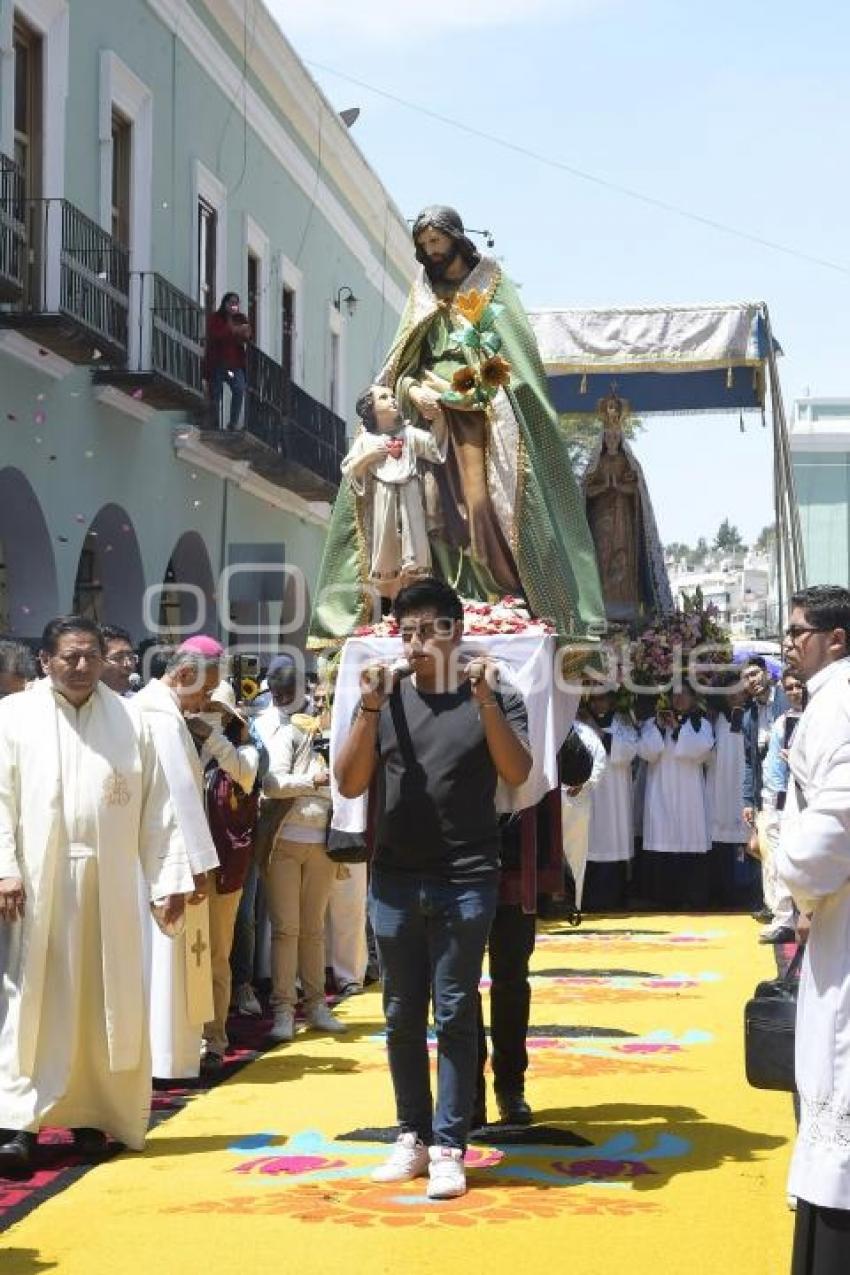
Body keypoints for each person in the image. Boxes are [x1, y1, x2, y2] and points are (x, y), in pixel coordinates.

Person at [310, 206, 604, 644]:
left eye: (437, 243)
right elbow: (403, 363)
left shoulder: (489, 286)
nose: (430, 253)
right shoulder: (423, 292)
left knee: (480, 504)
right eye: (424, 246)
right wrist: (411, 391)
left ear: (456, 238)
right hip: (430, 416)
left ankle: (494, 593)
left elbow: (515, 359)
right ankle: (448, 596)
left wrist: (480, 388)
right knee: (432, 512)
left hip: (478, 414)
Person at [335, 576, 531, 1200]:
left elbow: (519, 771)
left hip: (467, 873)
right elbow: (347, 783)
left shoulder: (494, 692)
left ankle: (450, 1144)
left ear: (457, 633)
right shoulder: (385, 698)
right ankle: (411, 1136)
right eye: (407, 632)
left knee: (453, 1010)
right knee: (398, 1014)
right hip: (394, 875)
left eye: (429, 631)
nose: (415, 643)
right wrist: (368, 707)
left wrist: (485, 702)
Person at [0, 616, 194, 1176]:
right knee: (32, 1004)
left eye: (90, 656)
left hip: (110, 888)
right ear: (45, 660)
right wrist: (6, 871)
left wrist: (168, 882)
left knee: (104, 1001)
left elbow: (159, 811)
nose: (82, 666)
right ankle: (19, 1123)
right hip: (36, 889)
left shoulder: (131, 721)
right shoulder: (14, 719)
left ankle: (93, 1116)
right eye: (70, 657)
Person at [773, 586, 850, 1273]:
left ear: (837, 638)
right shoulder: (828, 701)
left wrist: (776, 848)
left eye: (798, 630)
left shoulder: (842, 705)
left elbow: (829, 836)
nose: (787, 641)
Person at [475, 727, 593, 1129]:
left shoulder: (532, 702)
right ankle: (468, 1092)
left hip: (515, 860)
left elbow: (578, 768)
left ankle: (510, 1087)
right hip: (456, 856)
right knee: (455, 985)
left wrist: (557, 715)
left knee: (510, 980)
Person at [134, 638, 222, 1079]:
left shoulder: (159, 711)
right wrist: (199, 865)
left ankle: (167, 1056)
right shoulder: (160, 719)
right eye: (206, 691)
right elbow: (179, 799)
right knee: (168, 957)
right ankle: (165, 1058)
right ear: (185, 675)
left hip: (165, 854)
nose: (207, 701)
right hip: (168, 861)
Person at [253, 658, 344, 1043]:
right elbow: (272, 784)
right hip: (284, 838)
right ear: (271, 691)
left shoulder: (327, 723)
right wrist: (313, 780)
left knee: (313, 931)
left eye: (292, 692)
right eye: (279, 692)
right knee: (286, 929)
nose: (286, 698)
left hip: (322, 838)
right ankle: (283, 1010)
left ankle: (317, 1005)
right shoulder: (271, 725)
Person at [192, 681, 261, 1073]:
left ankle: (214, 1038)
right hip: (183, 869)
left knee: (215, 955)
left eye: (215, 705)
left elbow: (246, 775)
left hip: (222, 868)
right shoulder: (183, 744)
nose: (206, 710)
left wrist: (214, 737)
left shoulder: (243, 750)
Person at [340, 384, 447, 597]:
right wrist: (368, 457)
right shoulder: (366, 440)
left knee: (415, 547)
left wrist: (439, 418)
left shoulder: (409, 434)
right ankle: (392, 603)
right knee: (386, 551)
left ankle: (415, 597)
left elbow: (434, 448)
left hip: (411, 497)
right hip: (383, 499)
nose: (392, 400)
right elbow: (350, 469)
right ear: (371, 409)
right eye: (384, 397)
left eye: (392, 396)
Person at [582, 392, 673, 624]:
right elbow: (587, 492)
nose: (612, 440)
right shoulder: (598, 463)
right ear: (603, 439)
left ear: (621, 438)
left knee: (624, 559)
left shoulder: (628, 463)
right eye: (608, 436)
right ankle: (602, 604)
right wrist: (604, 486)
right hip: (601, 521)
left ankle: (625, 605)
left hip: (624, 521)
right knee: (602, 559)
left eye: (616, 436)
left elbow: (636, 491)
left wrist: (620, 487)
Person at [637, 686, 714, 910]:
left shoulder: (701, 723)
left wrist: (679, 729)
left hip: (690, 795)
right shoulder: (654, 723)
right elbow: (645, 752)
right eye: (675, 695)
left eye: (684, 695)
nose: (679, 699)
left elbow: (702, 751)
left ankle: (692, 898)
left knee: (690, 840)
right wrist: (661, 730)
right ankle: (661, 899)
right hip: (660, 791)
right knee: (662, 839)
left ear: (693, 698)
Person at [580, 690, 640, 911]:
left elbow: (629, 751)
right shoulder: (579, 721)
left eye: (603, 698)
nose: (599, 703)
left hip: (615, 795)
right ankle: (586, 900)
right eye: (594, 698)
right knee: (589, 842)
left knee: (613, 842)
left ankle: (614, 899)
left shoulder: (622, 722)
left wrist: (600, 733)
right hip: (589, 791)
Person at [758, 669, 805, 944]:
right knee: (777, 863)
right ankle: (784, 917)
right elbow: (773, 767)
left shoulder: (820, 718)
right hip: (782, 803)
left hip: (813, 801)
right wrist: (772, 804)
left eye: (799, 686)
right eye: (790, 688)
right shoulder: (781, 723)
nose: (795, 692)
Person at [742, 655, 788, 922]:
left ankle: (790, 907)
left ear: (768, 675)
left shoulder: (784, 702)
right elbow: (748, 762)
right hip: (766, 788)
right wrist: (747, 799)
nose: (752, 681)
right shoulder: (749, 715)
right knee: (767, 849)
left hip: (791, 784)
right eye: (747, 677)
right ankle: (771, 905)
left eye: (755, 674)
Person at [704, 678, 749, 910]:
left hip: (744, 789)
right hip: (720, 790)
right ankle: (721, 893)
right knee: (720, 845)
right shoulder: (716, 720)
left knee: (745, 844)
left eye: (739, 691)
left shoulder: (751, 717)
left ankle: (745, 894)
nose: (734, 695)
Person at [205, 292, 251, 430]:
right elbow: (215, 335)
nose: (234, 305)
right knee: (216, 393)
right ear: (225, 303)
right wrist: (232, 330)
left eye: (236, 303)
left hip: (233, 366)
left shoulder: (241, 318)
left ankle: (233, 423)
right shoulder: (216, 318)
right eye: (231, 302)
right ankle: (214, 424)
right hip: (218, 364)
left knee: (239, 388)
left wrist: (242, 331)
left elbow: (248, 335)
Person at [99, 624, 138, 696]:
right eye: (118, 658)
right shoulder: (88, 704)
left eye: (131, 657)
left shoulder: (137, 701)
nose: (128, 664)